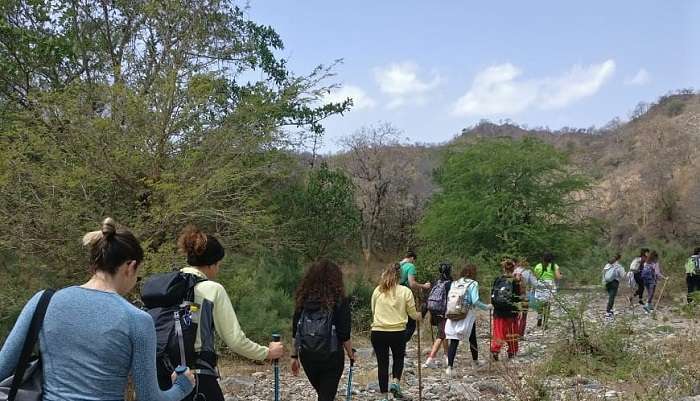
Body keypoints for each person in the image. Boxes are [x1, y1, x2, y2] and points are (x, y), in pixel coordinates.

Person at [0, 218, 195, 401]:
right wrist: (182, 386)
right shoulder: (137, 320)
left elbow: (3, 368)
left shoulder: (43, 301)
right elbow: (150, 398)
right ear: (130, 266)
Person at [172, 225, 284, 401]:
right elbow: (235, 340)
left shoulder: (170, 285)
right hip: (199, 377)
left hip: (166, 378)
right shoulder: (212, 289)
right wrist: (267, 353)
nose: (218, 270)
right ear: (212, 263)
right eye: (218, 265)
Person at [290, 260, 354, 401]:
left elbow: (296, 329)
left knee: (323, 394)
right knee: (326, 395)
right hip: (331, 356)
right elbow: (344, 333)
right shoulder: (339, 300)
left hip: (307, 355)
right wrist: (351, 353)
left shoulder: (303, 299)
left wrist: (294, 357)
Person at [371, 263, 421, 401]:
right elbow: (412, 315)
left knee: (382, 363)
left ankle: (384, 396)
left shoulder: (377, 290)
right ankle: (395, 382)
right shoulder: (405, 291)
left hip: (378, 331)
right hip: (397, 332)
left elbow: (373, 311)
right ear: (400, 277)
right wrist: (420, 314)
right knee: (398, 358)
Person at [443, 264, 492, 377]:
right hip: (466, 313)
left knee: (454, 340)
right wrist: (487, 307)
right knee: (472, 338)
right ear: (472, 273)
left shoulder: (454, 283)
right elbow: (475, 301)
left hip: (452, 312)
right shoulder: (473, 283)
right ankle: (475, 362)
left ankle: (449, 367)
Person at [490, 259, 524, 360]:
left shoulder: (498, 279)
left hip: (498, 311)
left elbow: (493, 294)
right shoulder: (514, 281)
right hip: (511, 311)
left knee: (498, 332)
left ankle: (495, 350)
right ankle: (512, 351)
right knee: (512, 332)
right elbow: (517, 297)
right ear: (513, 269)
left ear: (503, 268)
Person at [422, 262, 453, 369]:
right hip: (443, 311)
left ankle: (447, 356)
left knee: (443, 333)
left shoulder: (436, 281)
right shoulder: (450, 283)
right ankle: (430, 359)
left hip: (434, 311)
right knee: (441, 335)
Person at [399, 250, 431, 343]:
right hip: (404, 294)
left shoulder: (398, 265)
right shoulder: (411, 266)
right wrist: (424, 286)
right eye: (414, 260)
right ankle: (400, 345)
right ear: (412, 258)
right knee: (411, 324)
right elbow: (412, 283)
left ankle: (397, 346)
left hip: (392, 294)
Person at [533, 252, 562, 330]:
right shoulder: (554, 266)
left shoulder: (538, 266)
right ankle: (545, 323)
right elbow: (558, 277)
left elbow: (535, 276)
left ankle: (539, 319)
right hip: (550, 285)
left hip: (540, 284)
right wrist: (561, 275)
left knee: (540, 304)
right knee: (547, 304)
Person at [513, 258, 539, 337]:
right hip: (525, 296)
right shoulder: (528, 272)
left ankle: (513, 333)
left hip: (514, 296)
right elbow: (536, 284)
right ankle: (520, 335)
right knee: (523, 316)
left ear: (518, 264)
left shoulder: (513, 271)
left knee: (514, 315)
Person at [602, 253, 626, 318]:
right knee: (612, 297)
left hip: (607, 282)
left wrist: (604, 282)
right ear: (619, 258)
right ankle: (608, 311)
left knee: (610, 296)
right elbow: (623, 275)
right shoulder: (619, 266)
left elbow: (603, 273)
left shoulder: (607, 265)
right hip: (614, 283)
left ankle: (611, 309)